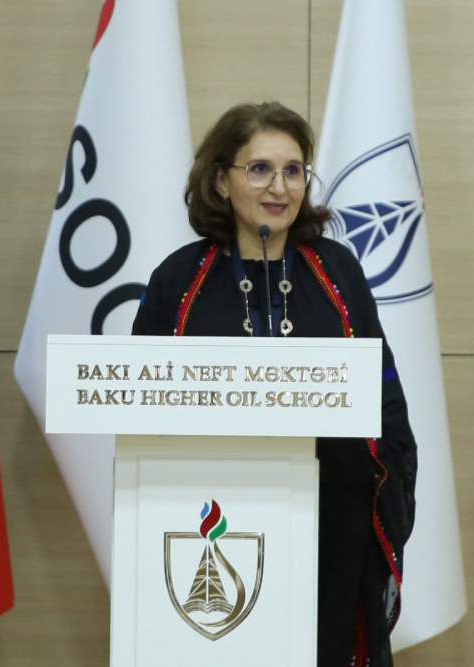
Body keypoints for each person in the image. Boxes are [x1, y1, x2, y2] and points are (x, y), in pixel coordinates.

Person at [132, 101, 417, 667]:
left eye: (293, 170)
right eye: (260, 169)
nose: (280, 188)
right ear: (221, 179)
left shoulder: (338, 273)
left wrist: (383, 483)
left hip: (331, 523)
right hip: (210, 526)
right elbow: (141, 409)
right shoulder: (179, 281)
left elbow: (384, 395)